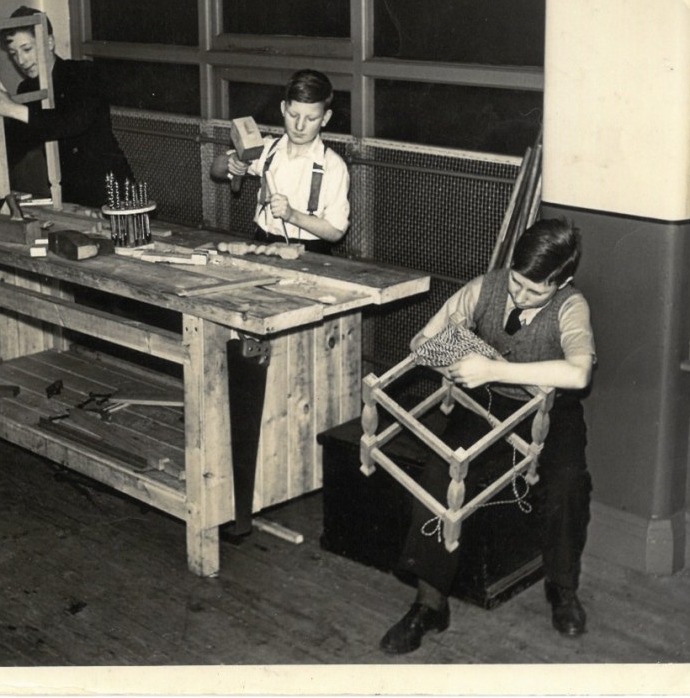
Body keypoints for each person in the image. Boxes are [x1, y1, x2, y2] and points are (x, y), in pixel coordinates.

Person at [379, 217, 596, 655]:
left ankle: (562, 588)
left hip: (551, 409)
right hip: (488, 401)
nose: (519, 295)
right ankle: (430, 603)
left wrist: (494, 368)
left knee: (568, 483)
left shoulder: (572, 306)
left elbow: (578, 371)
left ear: (562, 281)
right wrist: (448, 363)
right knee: (439, 475)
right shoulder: (487, 287)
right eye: (517, 282)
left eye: (535, 291)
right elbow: (424, 338)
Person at [0, 6, 134, 207]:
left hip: (112, 191)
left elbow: (72, 122)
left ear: (49, 42)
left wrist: (13, 108)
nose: (21, 61)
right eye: (14, 53)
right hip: (69, 197)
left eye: (27, 49)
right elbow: (12, 152)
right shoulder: (28, 89)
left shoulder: (83, 72)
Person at [210, 69, 349, 255]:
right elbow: (215, 170)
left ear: (325, 118)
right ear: (283, 109)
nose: (300, 126)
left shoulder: (333, 166)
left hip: (311, 254)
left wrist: (291, 215)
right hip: (263, 244)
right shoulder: (267, 150)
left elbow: (335, 232)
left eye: (311, 118)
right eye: (293, 115)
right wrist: (231, 161)